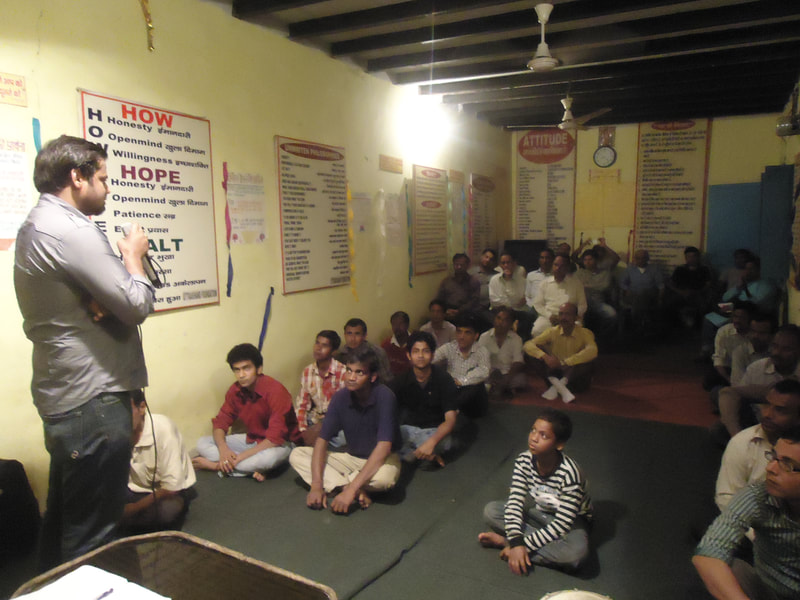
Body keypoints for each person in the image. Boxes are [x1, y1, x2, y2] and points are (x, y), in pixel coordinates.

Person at [14, 135, 155, 567]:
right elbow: (135, 304)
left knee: (65, 524)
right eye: (103, 178)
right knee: (93, 537)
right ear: (77, 177)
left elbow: (100, 302)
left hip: (68, 396)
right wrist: (133, 257)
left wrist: (106, 300)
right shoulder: (72, 231)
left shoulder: (37, 225)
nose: (108, 188)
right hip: (91, 402)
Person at [478, 408, 593, 574]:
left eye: (544, 436)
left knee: (576, 556)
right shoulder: (523, 460)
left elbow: (562, 523)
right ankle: (525, 547)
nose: (533, 438)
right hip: (542, 513)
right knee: (491, 511)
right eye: (533, 430)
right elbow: (515, 501)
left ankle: (506, 543)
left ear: (559, 445)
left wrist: (519, 545)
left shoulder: (570, 473)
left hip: (572, 522)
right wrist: (518, 542)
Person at [289, 347, 401, 513]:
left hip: (383, 460)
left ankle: (345, 484)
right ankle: (348, 486)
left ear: (373, 377)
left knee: (384, 480)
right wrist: (316, 486)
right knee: (297, 454)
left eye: (359, 373)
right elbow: (322, 441)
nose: (351, 377)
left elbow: (384, 448)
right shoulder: (340, 397)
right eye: (349, 370)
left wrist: (350, 491)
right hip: (351, 458)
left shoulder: (385, 397)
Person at [693, 428, 800, 600]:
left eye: (787, 465)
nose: (770, 468)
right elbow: (708, 554)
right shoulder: (758, 496)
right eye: (773, 457)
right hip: (768, 591)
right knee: (731, 569)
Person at [193, 343, 301, 481]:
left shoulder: (276, 391)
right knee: (202, 443)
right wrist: (224, 449)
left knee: (268, 459)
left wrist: (240, 457)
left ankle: (217, 466)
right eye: (237, 370)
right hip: (253, 439)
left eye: (246, 368)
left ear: (259, 369)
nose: (241, 375)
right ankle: (247, 468)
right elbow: (221, 422)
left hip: (280, 444)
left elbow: (275, 438)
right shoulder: (235, 390)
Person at [716, 380, 800, 511]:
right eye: (766, 405)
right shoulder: (742, 442)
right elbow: (727, 497)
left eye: (780, 410)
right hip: (752, 518)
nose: (767, 414)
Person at [121, 394, 197, 533]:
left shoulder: (164, 429)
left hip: (164, 493)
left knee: (165, 513)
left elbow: (171, 487)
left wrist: (135, 508)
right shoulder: (116, 431)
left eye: (125, 411)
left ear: (142, 407)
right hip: (133, 488)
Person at [391, 331, 459, 468]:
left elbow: (450, 420)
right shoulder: (401, 380)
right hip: (408, 430)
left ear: (433, 355)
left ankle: (412, 455)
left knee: (446, 442)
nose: (420, 356)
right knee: (390, 435)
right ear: (409, 355)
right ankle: (423, 455)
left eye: (425, 351)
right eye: (416, 351)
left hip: (434, 431)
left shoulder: (444, 379)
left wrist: (431, 442)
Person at [718, 325, 800, 438]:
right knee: (718, 428)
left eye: (786, 349)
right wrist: (737, 436)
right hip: (759, 423)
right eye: (775, 346)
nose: (777, 352)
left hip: (792, 428)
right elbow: (731, 393)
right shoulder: (757, 368)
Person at [701, 256, 777, 356]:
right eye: (746, 269)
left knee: (723, 316)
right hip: (736, 309)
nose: (748, 272)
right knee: (709, 316)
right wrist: (739, 287)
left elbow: (755, 303)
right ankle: (708, 349)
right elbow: (725, 297)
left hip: (753, 314)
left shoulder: (765, 285)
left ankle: (717, 351)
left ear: (759, 270)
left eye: (751, 269)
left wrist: (736, 304)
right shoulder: (746, 284)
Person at [524, 303, 598, 404]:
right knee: (532, 353)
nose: (563, 318)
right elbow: (528, 345)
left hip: (574, 376)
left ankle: (557, 386)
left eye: (567, 314)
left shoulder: (585, 333)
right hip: (555, 372)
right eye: (561, 314)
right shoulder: (552, 331)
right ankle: (559, 386)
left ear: (576, 317)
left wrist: (565, 362)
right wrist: (545, 357)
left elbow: (592, 350)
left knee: (588, 360)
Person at [294, 330, 347, 447]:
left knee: (344, 438)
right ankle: (316, 443)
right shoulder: (308, 371)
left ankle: (318, 443)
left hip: (336, 422)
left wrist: (323, 426)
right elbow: (302, 405)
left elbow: (345, 409)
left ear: (333, 351)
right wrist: (302, 430)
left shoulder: (343, 372)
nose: (318, 348)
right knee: (292, 430)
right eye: (317, 343)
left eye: (324, 345)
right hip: (315, 418)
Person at [433, 313, 491, 418]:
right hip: (453, 391)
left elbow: (484, 371)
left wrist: (460, 381)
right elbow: (432, 358)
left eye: (467, 333)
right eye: (459, 332)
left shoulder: (482, 351)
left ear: (476, 336)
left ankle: (450, 410)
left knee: (475, 385)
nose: (461, 337)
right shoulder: (449, 347)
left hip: (473, 400)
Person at [531, 254, 587, 338]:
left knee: (577, 332)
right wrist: (549, 316)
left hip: (570, 319)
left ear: (567, 268)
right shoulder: (544, 283)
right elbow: (538, 304)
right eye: (556, 265)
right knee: (537, 330)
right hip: (550, 317)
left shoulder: (576, 284)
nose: (558, 268)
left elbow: (582, 305)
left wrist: (573, 317)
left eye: (562, 266)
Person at [478, 307, 527, 400]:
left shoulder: (516, 339)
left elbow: (518, 362)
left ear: (511, 324)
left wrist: (506, 379)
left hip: (507, 373)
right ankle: (499, 387)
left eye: (505, 320)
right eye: (498, 318)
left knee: (521, 380)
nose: (500, 322)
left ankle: (495, 387)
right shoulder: (484, 336)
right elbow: (479, 358)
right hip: (489, 372)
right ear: (494, 319)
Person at [575, 248, 618, 342]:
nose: (587, 262)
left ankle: (601, 338)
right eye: (585, 260)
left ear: (596, 260)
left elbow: (604, 287)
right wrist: (592, 287)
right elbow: (576, 288)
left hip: (598, 303)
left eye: (590, 259)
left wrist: (586, 286)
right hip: (582, 303)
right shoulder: (579, 273)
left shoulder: (604, 273)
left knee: (612, 315)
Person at [334, 317, 393, 384]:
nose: (352, 338)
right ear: (344, 335)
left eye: (357, 334)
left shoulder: (377, 352)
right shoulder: (339, 354)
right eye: (349, 333)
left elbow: (386, 380)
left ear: (364, 336)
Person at [666, 246, 713, 328]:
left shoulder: (704, 269)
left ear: (698, 257)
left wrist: (698, 292)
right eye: (689, 256)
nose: (692, 259)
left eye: (694, 256)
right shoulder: (680, 269)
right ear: (686, 258)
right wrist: (680, 292)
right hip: (681, 294)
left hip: (698, 294)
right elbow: (671, 284)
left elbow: (708, 284)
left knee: (703, 305)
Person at [619, 248, 664, 334]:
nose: (641, 260)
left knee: (643, 294)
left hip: (649, 295)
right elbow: (622, 283)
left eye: (643, 258)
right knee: (638, 297)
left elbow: (661, 285)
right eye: (638, 258)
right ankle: (642, 321)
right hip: (632, 295)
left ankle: (636, 322)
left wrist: (660, 298)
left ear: (647, 259)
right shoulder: (629, 269)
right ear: (635, 259)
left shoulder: (654, 269)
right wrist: (626, 289)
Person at [730, 314, 774, 386]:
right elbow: (737, 384)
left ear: (772, 335)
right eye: (753, 331)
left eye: (761, 333)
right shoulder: (740, 352)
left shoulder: (776, 352)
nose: (755, 336)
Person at [436, 253, 481, 319]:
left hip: (466, 314)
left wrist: (459, 311)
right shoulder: (447, 281)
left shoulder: (473, 282)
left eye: (462, 265)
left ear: (467, 265)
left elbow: (474, 301)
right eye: (456, 264)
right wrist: (445, 310)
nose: (459, 267)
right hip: (447, 313)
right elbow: (440, 299)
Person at [470, 248, 498, 327]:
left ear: (494, 262)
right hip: (473, 306)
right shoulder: (471, 273)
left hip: (489, 308)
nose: (488, 260)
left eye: (491, 259)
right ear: (481, 257)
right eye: (486, 257)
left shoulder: (497, 276)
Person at [381, 311, 412, 377]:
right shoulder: (386, 345)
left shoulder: (416, 343)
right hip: (391, 380)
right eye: (394, 324)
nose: (397, 327)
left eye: (400, 324)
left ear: (407, 325)